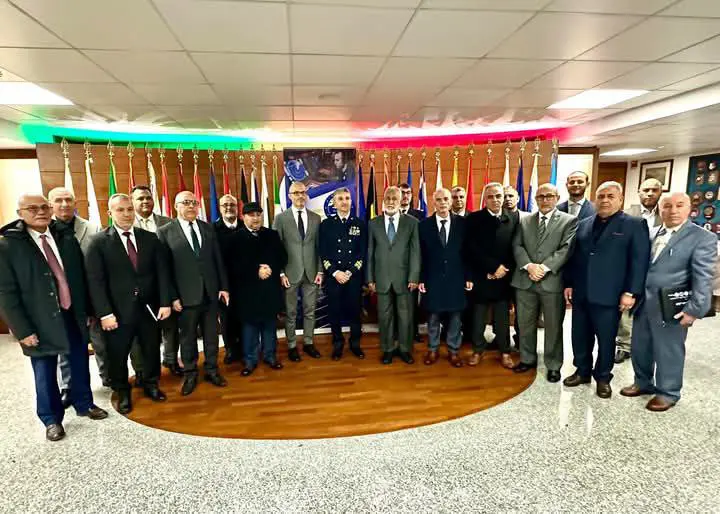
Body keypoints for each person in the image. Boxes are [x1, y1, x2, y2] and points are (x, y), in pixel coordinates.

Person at [0, 194, 108, 442]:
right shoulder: (8, 244)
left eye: (44, 207)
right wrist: (22, 330)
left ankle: (84, 403)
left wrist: (87, 310)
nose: (40, 212)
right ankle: (51, 419)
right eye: (32, 208)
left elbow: (80, 276)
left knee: (79, 360)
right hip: (38, 319)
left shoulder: (64, 235)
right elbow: (5, 293)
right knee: (44, 370)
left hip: (72, 312)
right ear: (20, 213)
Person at [620, 193, 717, 411]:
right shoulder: (651, 232)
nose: (673, 210)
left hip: (671, 306)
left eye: (679, 205)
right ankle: (643, 382)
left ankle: (668, 392)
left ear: (689, 209)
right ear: (659, 209)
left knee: (668, 350)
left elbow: (703, 278)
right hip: (644, 302)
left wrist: (694, 309)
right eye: (667, 206)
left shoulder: (702, 237)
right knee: (640, 346)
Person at [85, 194, 171, 414]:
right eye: (120, 210)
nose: (126, 214)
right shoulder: (98, 242)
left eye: (129, 209)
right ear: (110, 213)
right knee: (118, 354)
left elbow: (162, 273)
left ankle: (151, 384)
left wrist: (165, 303)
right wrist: (105, 313)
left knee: (151, 349)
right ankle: (123, 391)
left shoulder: (149, 238)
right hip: (117, 313)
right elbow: (95, 282)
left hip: (149, 309)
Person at [563, 182, 650, 399]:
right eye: (601, 196)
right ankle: (582, 371)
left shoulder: (634, 224)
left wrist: (631, 292)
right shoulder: (583, 224)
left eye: (610, 196)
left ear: (620, 199)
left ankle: (603, 377)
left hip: (611, 295)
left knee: (606, 339)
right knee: (579, 336)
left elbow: (639, 261)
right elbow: (575, 257)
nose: (604, 200)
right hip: (582, 293)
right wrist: (569, 284)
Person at [157, 191, 229, 396]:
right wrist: (172, 297)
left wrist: (223, 287)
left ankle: (212, 370)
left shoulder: (208, 228)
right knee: (187, 338)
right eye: (186, 202)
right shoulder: (165, 232)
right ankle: (190, 373)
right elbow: (164, 270)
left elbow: (217, 260)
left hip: (210, 293)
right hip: (184, 297)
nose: (191, 206)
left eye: (194, 202)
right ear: (176, 206)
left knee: (211, 336)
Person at [511, 184, 578, 383]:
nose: (545, 200)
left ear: (557, 197)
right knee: (524, 324)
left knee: (553, 326)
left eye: (549, 196)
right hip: (525, 281)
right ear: (535, 199)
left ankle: (553, 365)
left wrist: (544, 268)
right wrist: (529, 266)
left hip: (552, 282)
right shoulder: (524, 221)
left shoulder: (569, 221)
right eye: (540, 196)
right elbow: (517, 245)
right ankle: (527, 359)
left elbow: (566, 249)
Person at [48, 187, 108, 404]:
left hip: (91, 296)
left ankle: (107, 377)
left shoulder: (92, 228)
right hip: (62, 298)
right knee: (66, 345)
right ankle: (68, 387)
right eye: (59, 200)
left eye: (68, 200)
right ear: (51, 205)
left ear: (75, 203)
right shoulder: (46, 231)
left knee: (100, 342)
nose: (64, 204)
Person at [227, 203, 287, 376]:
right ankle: (250, 360)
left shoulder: (272, 235)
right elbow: (232, 265)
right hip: (248, 292)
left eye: (258, 215)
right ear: (243, 217)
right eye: (251, 215)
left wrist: (270, 268)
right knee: (250, 327)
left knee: (269, 325)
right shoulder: (234, 238)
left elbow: (283, 257)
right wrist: (256, 270)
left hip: (269, 290)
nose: (256, 218)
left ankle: (270, 356)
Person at [465, 183, 518, 369]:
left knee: (502, 318)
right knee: (478, 318)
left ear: (503, 198)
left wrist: (503, 269)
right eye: (490, 196)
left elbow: (516, 248)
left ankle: (505, 352)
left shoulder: (513, 219)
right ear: (485, 199)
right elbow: (471, 248)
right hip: (482, 276)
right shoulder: (474, 219)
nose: (495, 200)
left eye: (498, 196)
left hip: (504, 277)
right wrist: (492, 268)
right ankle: (478, 350)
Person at [131, 185, 181, 377]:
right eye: (140, 198)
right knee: (141, 334)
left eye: (148, 198)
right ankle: (142, 371)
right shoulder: (126, 224)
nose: (145, 201)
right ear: (132, 202)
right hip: (139, 289)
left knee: (171, 327)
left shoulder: (168, 223)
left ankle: (171, 360)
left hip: (165, 283)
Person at [367, 186, 420, 365]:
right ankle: (388, 349)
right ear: (383, 201)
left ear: (401, 200)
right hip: (381, 278)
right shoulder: (373, 223)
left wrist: (414, 277)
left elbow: (415, 252)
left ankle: (405, 349)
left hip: (404, 279)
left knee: (405, 317)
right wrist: (370, 279)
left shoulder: (412, 223)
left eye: (394, 199)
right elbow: (370, 253)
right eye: (387, 198)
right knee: (384, 317)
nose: (390, 202)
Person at [419, 188, 472, 367]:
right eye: (439, 200)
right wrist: (421, 279)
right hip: (432, 278)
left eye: (446, 199)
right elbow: (421, 255)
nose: (443, 203)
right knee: (433, 316)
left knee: (455, 316)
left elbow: (468, 253)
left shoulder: (463, 224)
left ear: (451, 202)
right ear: (434, 202)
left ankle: (453, 351)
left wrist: (468, 276)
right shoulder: (424, 225)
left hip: (456, 278)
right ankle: (433, 349)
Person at [273, 181, 323, 362]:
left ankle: (309, 342)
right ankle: (292, 345)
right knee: (291, 312)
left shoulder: (316, 218)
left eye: (303, 192)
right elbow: (276, 248)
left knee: (310, 310)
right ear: (290, 196)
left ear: (306, 195)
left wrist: (320, 271)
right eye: (296, 193)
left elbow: (319, 247)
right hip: (290, 273)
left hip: (311, 272)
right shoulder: (281, 219)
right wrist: (281, 273)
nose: (300, 196)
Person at [615, 178, 664, 364]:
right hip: (631, 268)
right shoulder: (626, 214)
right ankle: (624, 345)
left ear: (660, 193)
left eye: (654, 190)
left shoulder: (666, 214)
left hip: (656, 270)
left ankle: (649, 345)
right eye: (646, 190)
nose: (650, 193)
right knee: (626, 308)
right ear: (639, 192)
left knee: (652, 309)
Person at [319, 188, 367, 360]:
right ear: (334, 202)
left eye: (347, 198)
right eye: (340, 198)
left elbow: (362, 253)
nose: (344, 201)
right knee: (334, 313)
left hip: (353, 277)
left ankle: (355, 344)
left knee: (355, 312)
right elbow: (323, 252)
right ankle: (338, 344)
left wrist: (350, 272)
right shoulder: (326, 225)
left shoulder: (360, 224)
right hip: (334, 278)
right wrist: (335, 272)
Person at [214, 194, 243, 365]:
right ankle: (230, 349)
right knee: (226, 318)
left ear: (237, 207)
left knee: (243, 315)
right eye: (225, 205)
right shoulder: (212, 229)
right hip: (223, 283)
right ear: (220, 208)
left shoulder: (244, 226)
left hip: (244, 282)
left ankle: (245, 347)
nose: (228, 208)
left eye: (232, 204)